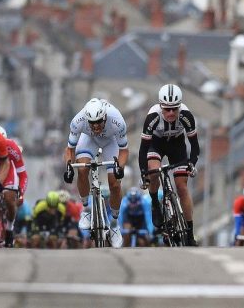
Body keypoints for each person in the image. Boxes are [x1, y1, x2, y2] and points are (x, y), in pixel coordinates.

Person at [137, 83, 201, 245]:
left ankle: (189, 233)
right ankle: (154, 202)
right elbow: (143, 148)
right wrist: (144, 172)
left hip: (177, 145)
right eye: (167, 109)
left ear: (180, 107)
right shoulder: (152, 117)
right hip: (156, 144)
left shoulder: (186, 115)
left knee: (182, 187)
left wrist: (192, 163)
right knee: (154, 172)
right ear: (160, 106)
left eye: (175, 108)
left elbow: (194, 145)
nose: (171, 112)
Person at [62, 97, 128, 248]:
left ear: (105, 117)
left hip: (110, 142)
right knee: (83, 169)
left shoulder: (117, 120)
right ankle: (86, 209)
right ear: (87, 120)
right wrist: (69, 166)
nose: (96, 126)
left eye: (99, 122)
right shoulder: (78, 121)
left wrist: (120, 168)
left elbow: (124, 151)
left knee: (115, 184)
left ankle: (114, 224)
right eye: (92, 123)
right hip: (88, 140)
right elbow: (70, 150)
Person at [0, 125, 27, 247]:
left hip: (8, 174)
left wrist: (21, 193)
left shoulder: (12, 147)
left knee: (9, 199)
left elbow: (22, 174)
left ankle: (9, 227)